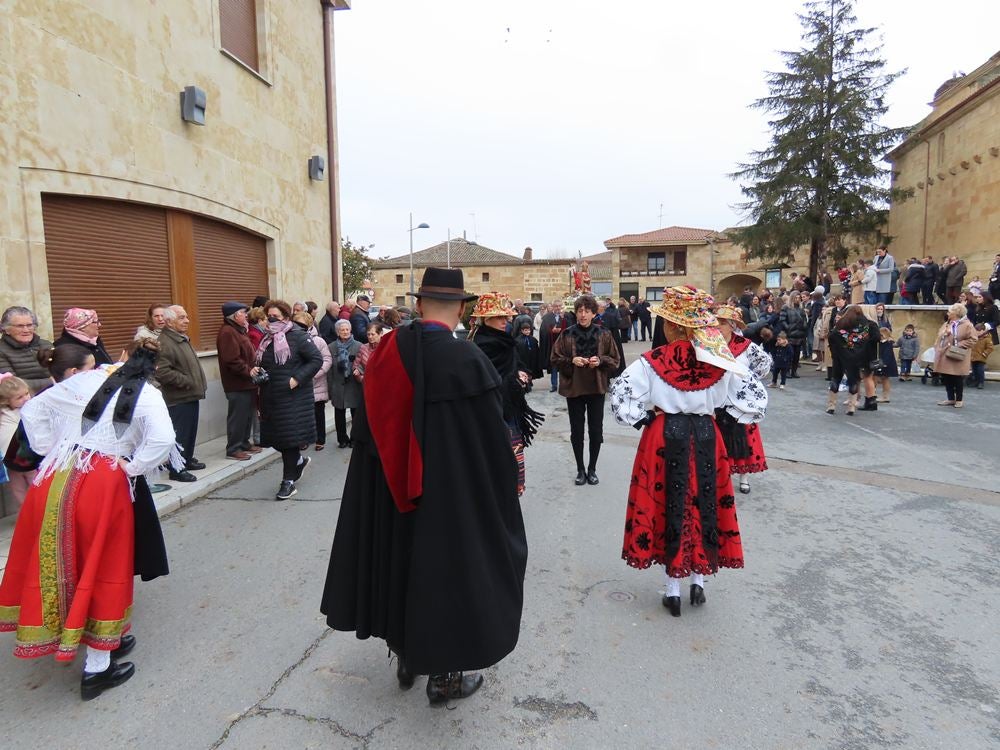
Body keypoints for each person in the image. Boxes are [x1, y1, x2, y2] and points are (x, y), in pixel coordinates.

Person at [320, 266, 526, 706]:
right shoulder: (469, 361)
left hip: (389, 490)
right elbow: (491, 443)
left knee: (400, 561)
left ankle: (407, 655)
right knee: (449, 573)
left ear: (417, 304)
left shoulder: (388, 351)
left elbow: (369, 429)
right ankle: (445, 677)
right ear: (463, 309)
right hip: (450, 493)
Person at [0, 340, 178, 701]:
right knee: (103, 567)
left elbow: (32, 412)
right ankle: (97, 667)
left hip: (54, 478)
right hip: (101, 481)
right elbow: (163, 439)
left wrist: (56, 445)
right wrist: (132, 466)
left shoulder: (72, 383)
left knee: (63, 562)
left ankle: (78, 634)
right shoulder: (142, 390)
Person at [610, 286, 749, 618]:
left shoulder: (653, 360)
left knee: (667, 505)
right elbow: (750, 397)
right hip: (706, 434)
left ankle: (672, 588)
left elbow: (621, 395)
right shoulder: (719, 360)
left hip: (664, 434)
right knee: (703, 503)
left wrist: (643, 417)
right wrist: (723, 415)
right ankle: (698, 581)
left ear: (671, 326)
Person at [470, 294, 544, 496]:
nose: (506, 320)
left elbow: (518, 366)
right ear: (486, 319)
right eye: (500, 317)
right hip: (491, 417)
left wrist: (524, 376)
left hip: (511, 411)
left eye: (507, 316)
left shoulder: (506, 341)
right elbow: (482, 385)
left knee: (512, 468)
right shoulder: (479, 346)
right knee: (495, 471)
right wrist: (512, 381)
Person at [255, 299, 323, 500]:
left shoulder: (298, 336)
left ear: (286, 316)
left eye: (276, 316)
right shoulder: (266, 339)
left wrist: (297, 379)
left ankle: (288, 481)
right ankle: (299, 463)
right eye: (269, 316)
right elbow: (263, 362)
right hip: (271, 396)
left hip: (293, 397)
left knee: (288, 440)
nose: (272, 319)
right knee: (278, 439)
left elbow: (316, 360)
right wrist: (256, 370)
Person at [551, 294, 620, 486]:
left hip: (597, 388)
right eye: (580, 311)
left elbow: (615, 360)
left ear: (593, 313)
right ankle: (580, 469)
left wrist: (600, 361)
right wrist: (570, 360)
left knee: (596, 431)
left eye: (587, 311)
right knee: (577, 431)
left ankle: (592, 469)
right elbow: (554, 359)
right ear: (576, 312)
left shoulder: (604, 333)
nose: (583, 314)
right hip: (574, 389)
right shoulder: (566, 334)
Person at [713, 307, 771, 495]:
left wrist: (749, 380)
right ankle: (723, 475)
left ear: (732, 326)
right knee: (721, 439)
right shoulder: (712, 345)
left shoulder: (746, 346)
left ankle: (743, 477)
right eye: (716, 322)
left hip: (741, 401)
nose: (718, 326)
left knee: (743, 439)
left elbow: (764, 363)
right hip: (719, 400)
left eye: (722, 323)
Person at [156, 305, 208, 481]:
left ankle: (186, 459)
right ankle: (176, 469)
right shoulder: (165, 342)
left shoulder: (180, 338)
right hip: (178, 397)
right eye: (181, 317)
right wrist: (188, 381)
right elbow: (162, 372)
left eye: (186, 317)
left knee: (190, 431)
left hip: (189, 394)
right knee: (180, 433)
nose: (186, 321)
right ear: (169, 321)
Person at [216, 301, 263, 461]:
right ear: (236, 315)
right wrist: (248, 370)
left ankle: (244, 443)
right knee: (238, 417)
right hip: (237, 383)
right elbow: (232, 360)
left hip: (248, 382)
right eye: (244, 313)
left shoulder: (239, 330)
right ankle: (233, 448)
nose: (246, 316)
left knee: (247, 416)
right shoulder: (228, 332)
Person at [826, 305, 878, 415]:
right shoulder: (866, 326)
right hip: (856, 357)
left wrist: (835, 349)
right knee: (853, 381)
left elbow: (832, 335)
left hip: (840, 355)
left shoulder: (842, 323)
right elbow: (873, 338)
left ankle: (831, 406)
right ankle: (851, 407)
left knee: (836, 379)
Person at [292, 312, 332, 451]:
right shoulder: (291, 338)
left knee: (318, 414)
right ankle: (302, 439)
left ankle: (320, 439)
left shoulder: (318, 341)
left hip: (317, 382)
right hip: (299, 383)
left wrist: (315, 373)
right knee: (301, 415)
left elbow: (327, 359)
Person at [933, 302, 977, 408]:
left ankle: (959, 400)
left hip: (958, 354)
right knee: (947, 376)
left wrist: (959, 344)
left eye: (950, 311)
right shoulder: (947, 323)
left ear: (956, 313)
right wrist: (944, 334)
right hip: (946, 354)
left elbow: (973, 339)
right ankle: (951, 398)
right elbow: (939, 335)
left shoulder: (967, 325)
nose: (948, 313)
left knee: (957, 378)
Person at [0, 306, 53, 394]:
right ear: (6, 329)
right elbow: (12, 386)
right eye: (20, 326)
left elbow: (63, 372)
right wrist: (52, 381)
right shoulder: (1, 350)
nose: (26, 330)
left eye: (29, 325)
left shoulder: (46, 344)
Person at [0, 374, 32, 513]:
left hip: (29, 454)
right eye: (19, 397)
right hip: (9, 457)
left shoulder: (31, 408)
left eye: (27, 393)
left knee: (34, 482)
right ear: (6, 401)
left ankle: (40, 510)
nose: (26, 398)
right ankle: (26, 512)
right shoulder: (3, 413)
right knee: (17, 488)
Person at [328, 319, 362, 449]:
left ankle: (354, 439)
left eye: (347, 329)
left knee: (355, 414)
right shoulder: (331, 347)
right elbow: (329, 369)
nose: (345, 332)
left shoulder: (359, 346)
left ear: (351, 330)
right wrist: (330, 388)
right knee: (339, 415)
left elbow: (363, 364)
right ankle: (342, 439)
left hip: (354, 385)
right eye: (342, 330)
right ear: (337, 332)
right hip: (338, 385)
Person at [777, 291, 808, 377]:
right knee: (789, 354)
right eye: (796, 298)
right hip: (790, 334)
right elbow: (782, 320)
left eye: (799, 298)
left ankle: (794, 371)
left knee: (797, 355)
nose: (798, 300)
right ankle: (786, 371)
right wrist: (788, 328)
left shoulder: (801, 308)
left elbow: (804, 319)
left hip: (799, 334)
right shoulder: (786, 307)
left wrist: (804, 326)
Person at [538, 302, 567, 393]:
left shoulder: (566, 316)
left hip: (563, 347)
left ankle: (564, 384)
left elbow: (570, 329)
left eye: (559, 306)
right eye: (556, 306)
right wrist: (551, 331)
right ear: (553, 307)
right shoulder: (547, 317)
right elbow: (543, 331)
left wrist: (561, 328)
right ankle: (554, 385)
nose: (558, 308)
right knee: (553, 366)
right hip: (552, 346)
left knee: (564, 366)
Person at [513, 315, 542, 380]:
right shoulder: (518, 340)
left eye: (529, 330)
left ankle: (530, 381)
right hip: (523, 360)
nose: (528, 332)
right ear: (522, 331)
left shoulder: (533, 340)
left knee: (531, 371)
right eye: (526, 330)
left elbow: (536, 350)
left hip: (531, 359)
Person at [875, 327, 898, 402]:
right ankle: (881, 395)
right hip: (883, 362)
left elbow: (887, 355)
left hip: (886, 364)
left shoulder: (887, 343)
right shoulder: (881, 343)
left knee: (885, 379)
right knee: (881, 379)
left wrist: (884, 363)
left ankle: (885, 397)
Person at [968, 323, 993, 390]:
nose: (977, 332)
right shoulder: (974, 337)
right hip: (973, 356)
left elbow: (990, 348)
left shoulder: (987, 339)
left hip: (981, 357)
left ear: (983, 331)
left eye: (978, 331)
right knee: (974, 370)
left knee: (980, 370)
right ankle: (976, 381)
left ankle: (981, 382)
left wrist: (984, 354)